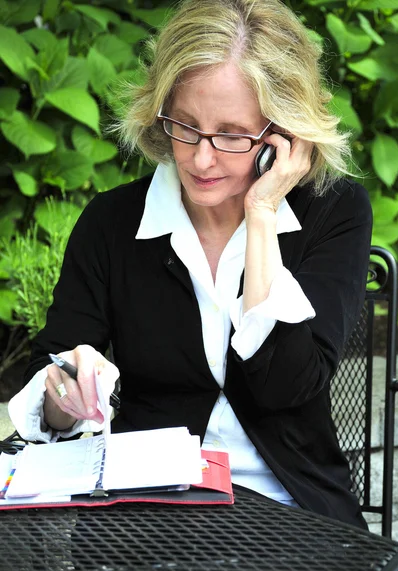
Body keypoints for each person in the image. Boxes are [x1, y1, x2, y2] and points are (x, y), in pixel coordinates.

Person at [9, 0, 372, 528]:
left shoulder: (333, 213)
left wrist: (263, 213)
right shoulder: (112, 223)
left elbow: (288, 386)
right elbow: (49, 373)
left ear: (283, 133)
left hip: (293, 509)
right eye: (185, 126)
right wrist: (65, 392)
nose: (201, 160)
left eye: (231, 134)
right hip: (146, 512)